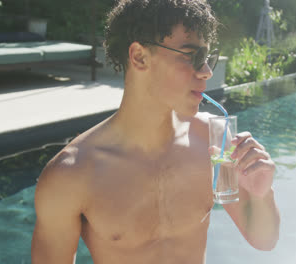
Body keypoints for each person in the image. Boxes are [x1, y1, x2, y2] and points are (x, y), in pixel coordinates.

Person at [31, 0, 280, 263]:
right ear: (139, 57)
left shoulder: (214, 140)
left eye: (208, 58)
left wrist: (262, 193)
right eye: (192, 56)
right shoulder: (71, 175)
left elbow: (265, 240)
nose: (206, 72)